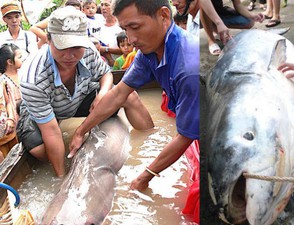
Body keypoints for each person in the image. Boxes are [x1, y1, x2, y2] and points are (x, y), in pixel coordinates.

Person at [69, 0, 199, 192]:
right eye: (125, 29)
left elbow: (186, 136)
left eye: (135, 27)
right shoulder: (149, 52)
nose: (130, 39)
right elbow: (118, 94)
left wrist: (144, 177)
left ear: (163, 16)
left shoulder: (189, 69)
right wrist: (81, 131)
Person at [16, 6, 154, 177]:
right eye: (62, 47)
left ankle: (150, 140)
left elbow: (105, 74)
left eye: (76, 47)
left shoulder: (88, 49)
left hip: (79, 97)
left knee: (128, 96)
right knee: (39, 150)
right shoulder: (33, 78)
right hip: (47, 108)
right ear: (48, 40)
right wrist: (61, 178)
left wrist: (102, 94)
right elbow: (50, 132)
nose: (70, 55)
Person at [0, 43, 23, 162]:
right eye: (19, 57)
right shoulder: (4, 80)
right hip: (9, 128)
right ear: (10, 61)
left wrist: (11, 118)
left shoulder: (24, 73)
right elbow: (11, 103)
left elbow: (8, 103)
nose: (22, 59)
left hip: (17, 123)